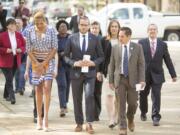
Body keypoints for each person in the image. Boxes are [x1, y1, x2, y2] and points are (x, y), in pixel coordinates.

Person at [64, 16, 104, 134]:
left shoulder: (95, 38)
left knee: (89, 96)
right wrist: (74, 62)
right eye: (82, 25)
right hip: (76, 73)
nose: (84, 27)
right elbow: (65, 56)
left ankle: (89, 123)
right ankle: (79, 123)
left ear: (89, 25)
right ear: (78, 24)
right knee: (77, 99)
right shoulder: (71, 38)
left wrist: (93, 62)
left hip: (90, 73)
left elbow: (101, 56)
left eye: (86, 25)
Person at [109, 27, 145, 135]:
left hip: (133, 80)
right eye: (119, 36)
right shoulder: (115, 48)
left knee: (133, 103)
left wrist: (142, 80)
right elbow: (112, 65)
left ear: (129, 36)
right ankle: (123, 127)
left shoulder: (138, 47)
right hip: (119, 79)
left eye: (122, 36)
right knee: (121, 104)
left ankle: (131, 118)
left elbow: (141, 65)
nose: (119, 38)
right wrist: (111, 80)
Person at [138, 24, 177, 126]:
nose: (152, 31)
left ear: (157, 31)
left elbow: (168, 60)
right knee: (142, 95)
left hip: (157, 75)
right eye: (150, 29)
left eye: (154, 29)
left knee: (156, 96)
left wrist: (173, 74)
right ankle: (143, 111)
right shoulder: (141, 43)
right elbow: (137, 60)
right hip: (143, 76)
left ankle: (155, 116)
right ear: (147, 31)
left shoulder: (162, 44)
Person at [26, 11, 58, 131]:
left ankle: (46, 119)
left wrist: (44, 63)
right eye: (37, 23)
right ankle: (39, 118)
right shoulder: (29, 31)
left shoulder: (51, 30)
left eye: (41, 23)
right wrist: (37, 63)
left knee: (47, 89)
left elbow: (55, 48)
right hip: (35, 62)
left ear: (45, 21)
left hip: (48, 62)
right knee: (38, 90)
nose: (39, 25)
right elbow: (28, 49)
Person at [0, 18, 25, 104]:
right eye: (11, 24)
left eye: (14, 24)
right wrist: (5, 50)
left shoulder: (19, 35)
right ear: (7, 26)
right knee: (10, 79)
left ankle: (5, 95)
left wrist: (20, 49)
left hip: (15, 60)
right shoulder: (2, 35)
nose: (14, 26)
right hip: (5, 61)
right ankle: (12, 97)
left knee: (9, 79)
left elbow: (24, 46)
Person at [101, 20, 121, 128]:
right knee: (109, 95)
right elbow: (102, 57)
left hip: (120, 72)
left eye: (116, 26)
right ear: (109, 28)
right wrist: (100, 71)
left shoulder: (122, 39)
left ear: (119, 28)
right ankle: (111, 119)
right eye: (112, 26)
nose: (114, 28)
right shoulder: (104, 40)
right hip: (108, 72)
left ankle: (115, 115)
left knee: (118, 96)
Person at [56, 20, 71, 117]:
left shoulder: (71, 38)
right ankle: (62, 107)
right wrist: (60, 53)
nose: (63, 28)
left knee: (67, 85)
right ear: (58, 28)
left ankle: (65, 103)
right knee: (62, 85)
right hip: (59, 65)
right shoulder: (55, 38)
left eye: (65, 26)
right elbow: (53, 50)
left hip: (70, 65)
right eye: (61, 26)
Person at [90, 20, 103, 121]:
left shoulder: (102, 40)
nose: (94, 30)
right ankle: (91, 113)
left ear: (99, 29)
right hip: (88, 70)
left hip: (99, 71)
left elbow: (103, 57)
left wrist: (100, 71)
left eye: (96, 28)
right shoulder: (87, 39)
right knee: (89, 93)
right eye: (93, 28)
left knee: (97, 93)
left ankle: (97, 113)